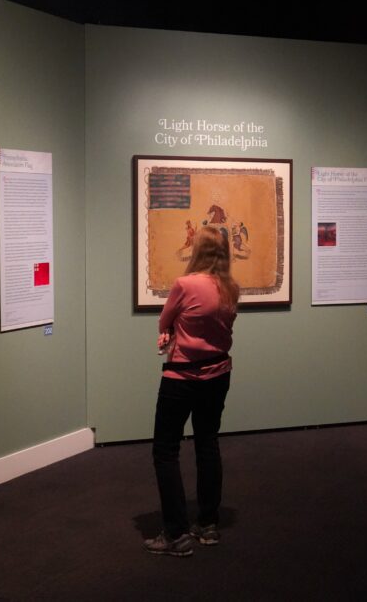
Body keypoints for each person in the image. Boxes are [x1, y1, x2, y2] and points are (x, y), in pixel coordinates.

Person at [144, 225, 239, 557]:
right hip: (218, 374)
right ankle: (208, 524)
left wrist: (169, 330)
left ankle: (175, 533)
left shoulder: (185, 285)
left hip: (181, 377)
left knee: (166, 451)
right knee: (207, 443)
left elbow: (164, 321)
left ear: (198, 250)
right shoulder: (230, 288)